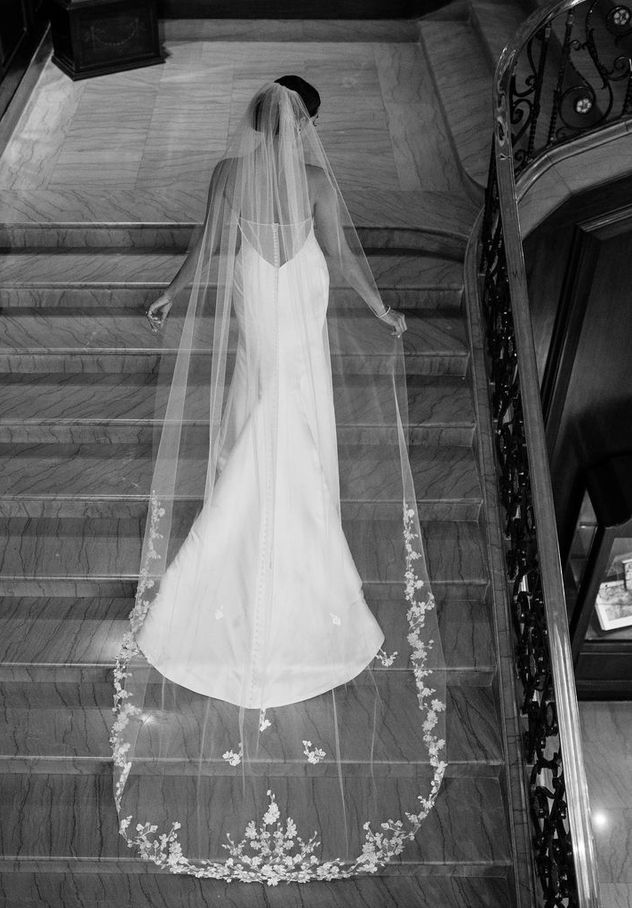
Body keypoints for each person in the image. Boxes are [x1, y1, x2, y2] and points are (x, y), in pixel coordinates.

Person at [111, 76, 446, 884]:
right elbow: (338, 260)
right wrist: (379, 307)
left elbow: (207, 250)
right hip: (298, 293)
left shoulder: (230, 176)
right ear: (303, 127)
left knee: (269, 400)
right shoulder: (322, 182)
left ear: (255, 121)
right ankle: (283, 529)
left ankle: (243, 525)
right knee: (290, 408)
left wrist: (174, 290)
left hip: (262, 294)